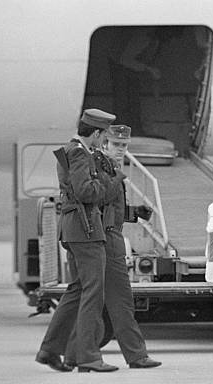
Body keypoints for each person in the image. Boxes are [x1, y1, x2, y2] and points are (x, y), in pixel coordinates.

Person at [35, 108, 126, 373]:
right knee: (93, 292)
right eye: (103, 135)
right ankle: (88, 357)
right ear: (96, 133)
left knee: (77, 290)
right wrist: (113, 180)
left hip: (78, 228)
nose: (103, 141)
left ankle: (50, 350)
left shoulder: (76, 151)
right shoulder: (79, 153)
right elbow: (86, 192)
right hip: (85, 229)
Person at [64, 124, 161, 369]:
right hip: (102, 239)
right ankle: (132, 355)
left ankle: (78, 356)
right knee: (110, 300)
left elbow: (109, 207)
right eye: (116, 145)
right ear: (103, 143)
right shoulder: (96, 164)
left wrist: (132, 213)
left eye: (124, 146)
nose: (121, 150)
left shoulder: (108, 166)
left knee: (111, 300)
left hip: (108, 235)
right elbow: (96, 197)